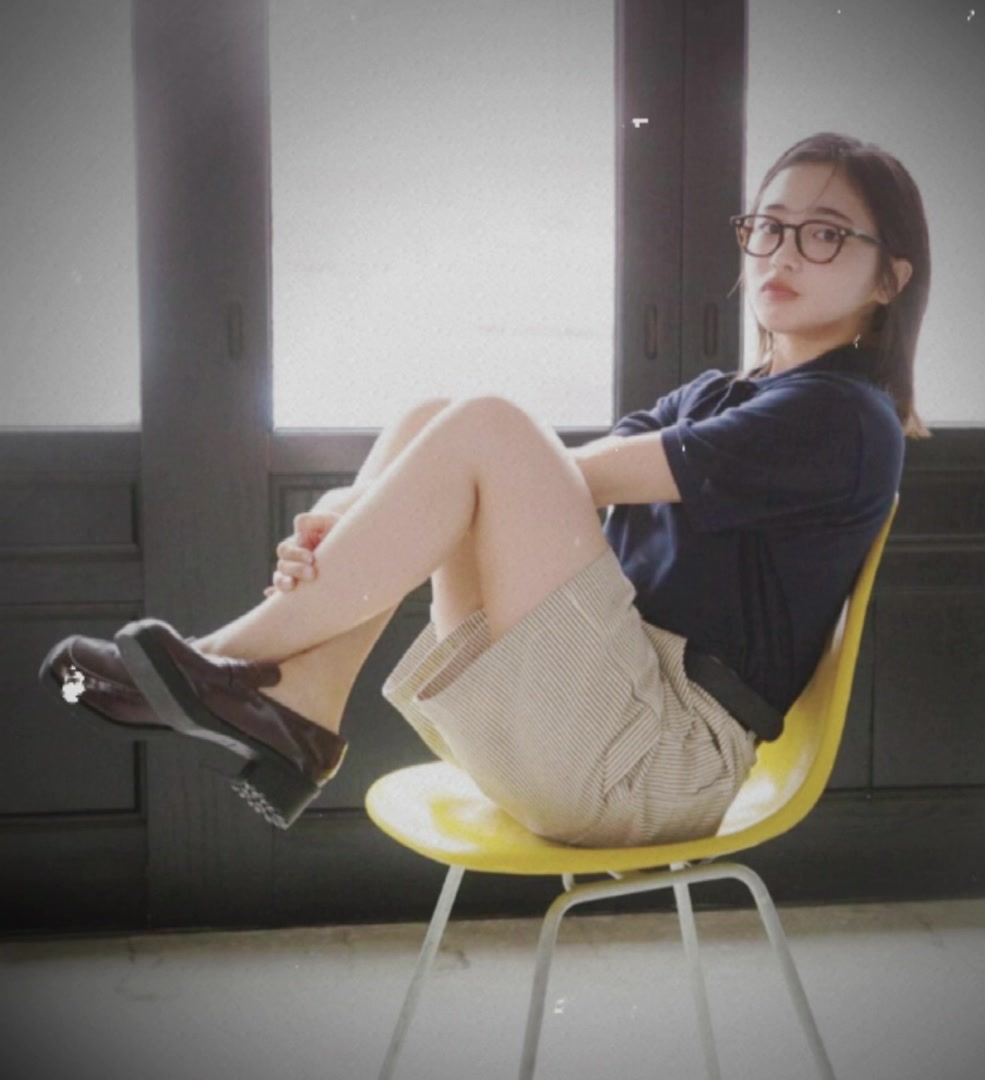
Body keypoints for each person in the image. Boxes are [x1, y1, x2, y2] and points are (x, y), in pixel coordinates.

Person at [40, 131, 930, 846]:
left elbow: (559, 471)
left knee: (482, 426)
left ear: (891, 278)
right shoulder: (712, 395)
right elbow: (543, 484)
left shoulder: (847, 417)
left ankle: (225, 663)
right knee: (440, 417)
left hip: (656, 762)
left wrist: (363, 512)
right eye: (769, 226)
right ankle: (300, 702)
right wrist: (377, 505)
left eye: (824, 233)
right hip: (583, 722)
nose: (783, 252)